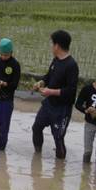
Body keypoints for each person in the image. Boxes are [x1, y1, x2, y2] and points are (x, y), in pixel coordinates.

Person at [31, 30, 79, 159]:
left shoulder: (71, 65)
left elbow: (71, 91)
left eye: (52, 44)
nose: (51, 47)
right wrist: (41, 83)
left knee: (58, 138)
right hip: (48, 105)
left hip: (62, 109)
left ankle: (60, 171)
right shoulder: (56, 60)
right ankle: (37, 157)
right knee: (36, 128)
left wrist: (50, 91)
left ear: (57, 46)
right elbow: (48, 76)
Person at [0, 38, 21, 152]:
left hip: (6, 101)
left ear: (11, 53)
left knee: (4, 130)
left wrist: (5, 84)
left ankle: (1, 153)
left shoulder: (15, 65)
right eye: (2, 54)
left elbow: (15, 84)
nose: (3, 57)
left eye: (6, 55)